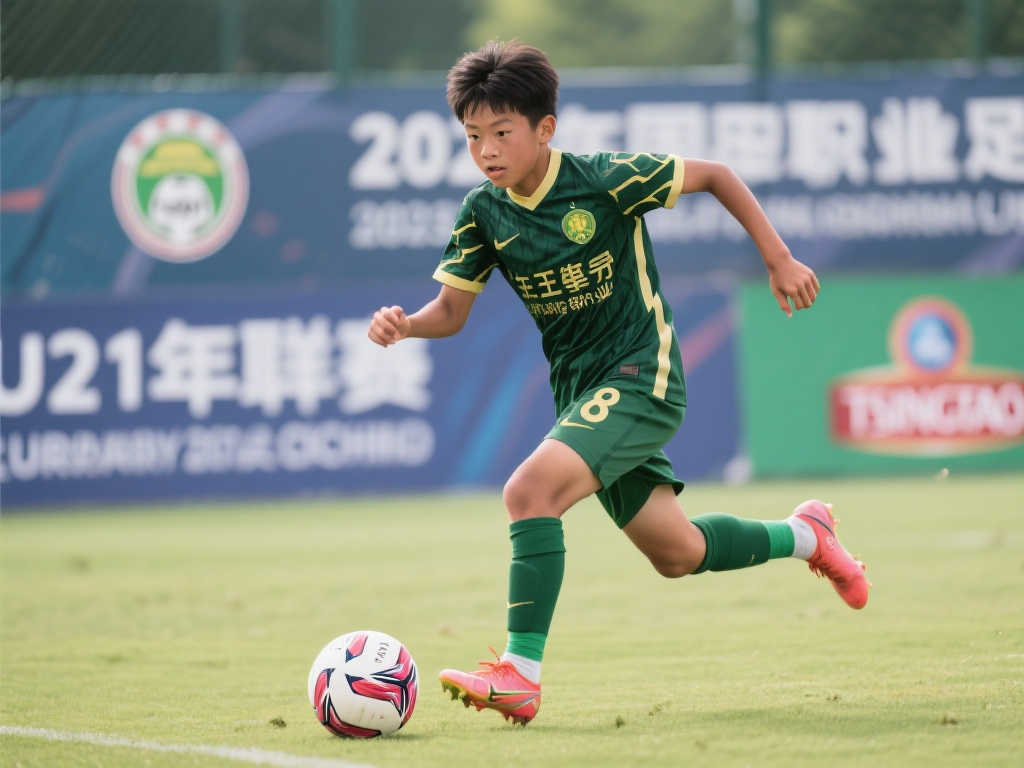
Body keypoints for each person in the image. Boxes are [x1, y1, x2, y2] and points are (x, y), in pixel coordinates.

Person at [366, 40, 869, 726]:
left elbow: (717, 175)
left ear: (545, 128)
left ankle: (520, 674)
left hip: (642, 374)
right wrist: (407, 326)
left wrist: (778, 259)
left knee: (528, 492)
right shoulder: (483, 213)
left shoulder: (603, 179)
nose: (486, 150)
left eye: (502, 132)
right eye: (473, 136)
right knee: (678, 553)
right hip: (582, 394)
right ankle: (808, 535)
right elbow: (451, 313)